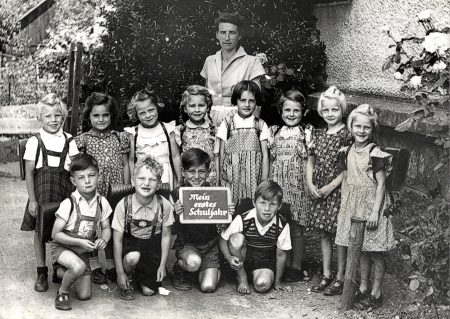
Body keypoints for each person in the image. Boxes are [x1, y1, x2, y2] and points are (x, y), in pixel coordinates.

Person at [335, 104, 396, 310]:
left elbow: (381, 184)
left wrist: (375, 212)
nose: (361, 131)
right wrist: (344, 207)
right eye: (357, 126)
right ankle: (362, 288)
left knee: (376, 251)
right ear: (350, 127)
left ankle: (376, 293)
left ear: (372, 130)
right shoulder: (347, 151)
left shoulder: (375, 153)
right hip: (354, 205)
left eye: (366, 128)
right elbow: (346, 179)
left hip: (372, 205)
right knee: (360, 249)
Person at [20, 93, 79, 293]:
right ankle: (41, 270)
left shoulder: (69, 140)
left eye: (57, 116)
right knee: (40, 232)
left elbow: (76, 170)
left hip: (64, 194)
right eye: (48, 116)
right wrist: (32, 201)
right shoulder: (35, 141)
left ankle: (59, 266)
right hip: (42, 195)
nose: (53, 120)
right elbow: (29, 173)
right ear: (40, 118)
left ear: (63, 117)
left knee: (62, 231)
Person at [75, 92, 130, 284]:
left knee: (112, 226)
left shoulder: (120, 137)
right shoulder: (83, 140)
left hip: (116, 189)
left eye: (105, 115)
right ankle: (95, 267)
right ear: (89, 116)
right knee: (91, 226)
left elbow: (125, 164)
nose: (101, 119)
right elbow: (79, 169)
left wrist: (126, 187)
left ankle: (112, 265)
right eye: (96, 115)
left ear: (111, 115)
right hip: (94, 191)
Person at [306, 86, 353, 295]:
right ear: (321, 112)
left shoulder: (346, 135)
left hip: (337, 190)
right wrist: (310, 184)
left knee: (339, 234)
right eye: (326, 111)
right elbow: (310, 161)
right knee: (324, 233)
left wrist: (330, 187)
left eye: (334, 110)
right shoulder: (319, 134)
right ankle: (326, 274)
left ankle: (340, 277)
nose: (330, 114)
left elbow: (348, 168)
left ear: (341, 110)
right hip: (319, 191)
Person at [50, 153, 112, 310]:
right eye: (81, 177)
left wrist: (103, 239)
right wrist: (79, 242)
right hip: (64, 247)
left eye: (91, 175)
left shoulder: (101, 202)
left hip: (83, 252)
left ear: (99, 176)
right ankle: (62, 292)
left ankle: (61, 273)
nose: (87, 181)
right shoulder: (68, 203)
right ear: (73, 181)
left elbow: (106, 228)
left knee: (85, 295)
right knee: (78, 267)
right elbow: (55, 234)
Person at [171, 148, 235, 292]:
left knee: (208, 287)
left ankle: (209, 268)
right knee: (193, 263)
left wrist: (228, 213)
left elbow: (224, 228)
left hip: (210, 245)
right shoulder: (177, 194)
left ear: (208, 172)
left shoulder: (214, 193)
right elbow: (172, 231)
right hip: (188, 245)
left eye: (201, 171)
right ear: (183, 172)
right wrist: (175, 214)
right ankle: (179, 270)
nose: (197, 176)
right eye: (191, 171)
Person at [112, 155, 174, 300]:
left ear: (158, 184)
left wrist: (162, 265)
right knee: (133, 257)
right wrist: (120, 273)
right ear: (133, 181)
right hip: (130, 247)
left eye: (152, 180)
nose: (146, 183)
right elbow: (117, 241)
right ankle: (128, 276)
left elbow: (166, 236)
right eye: (141, 179)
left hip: (151, 249)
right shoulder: (124, 204)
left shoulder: (164, 205)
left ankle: (141, 276)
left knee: (149, 292)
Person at [269, 90, 313, 282]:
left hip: (298, 188)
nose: (292, 114)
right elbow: (270, 160)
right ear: (281, 111)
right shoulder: (274, 132)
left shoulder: (306, 133)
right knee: (280, 225)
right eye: (287, 110)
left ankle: (296, 265)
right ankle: (283, 264)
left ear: (303, 112)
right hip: (279, 186)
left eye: (296, 110)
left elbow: (312, 160)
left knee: (296, 228)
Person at [219, 180, 292, 294]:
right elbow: (223, 239)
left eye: (272, 204)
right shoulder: (243, 219)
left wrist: (278, 281)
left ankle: (257, 277)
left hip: (266, 262)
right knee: (236, 239)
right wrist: (228, 258)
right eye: (262, 203)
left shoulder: (282, 224)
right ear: (254, 203)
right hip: (244, 259)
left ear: (279, 206)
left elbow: (281, 254)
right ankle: (242, 278)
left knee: (262, 285)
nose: (267, 209)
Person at [201, 12, 265, 126]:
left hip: (240, 122)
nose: (227, 37)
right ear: (217, 34)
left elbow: (256, 102)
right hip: (210, 121)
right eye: (223, 32)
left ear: (239, 35)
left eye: (232, 32)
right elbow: (205, 98)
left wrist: (251, 131)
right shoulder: (209, 61)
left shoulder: (252, 62)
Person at [216, 80, 269, 205]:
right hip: (231, 177)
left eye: (251, 101)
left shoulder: (260, 125)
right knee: (231, 208)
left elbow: (265, 155)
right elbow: (221, 153)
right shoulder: (227, 123)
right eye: (242, 100)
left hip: (253, 178)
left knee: (252, 209)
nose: (247, 104)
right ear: (236, 101)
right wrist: (219, 180)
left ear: (256, 102)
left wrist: (264, 180)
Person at [125, 89, 182, 190]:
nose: (148, 115)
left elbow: (175, 156)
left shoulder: (168, 129)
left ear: (157, 107)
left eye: (151, 110)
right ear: (136, 114)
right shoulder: (134, 133)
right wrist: (133, 179)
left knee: (165, 202)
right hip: (143, 176)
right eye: (142, 113)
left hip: (165, 175)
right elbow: (131, 160)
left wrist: (179, 177)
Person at [176, 85, 218, 185]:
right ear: (185, 108)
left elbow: (218, 157)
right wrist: (179, 179)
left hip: (210, 180)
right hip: (190, 180)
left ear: (207, 107)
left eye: (201, 105)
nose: (197, 109)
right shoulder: (180, 131)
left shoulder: (214, 130)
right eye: (192, 106)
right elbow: (176, 157)